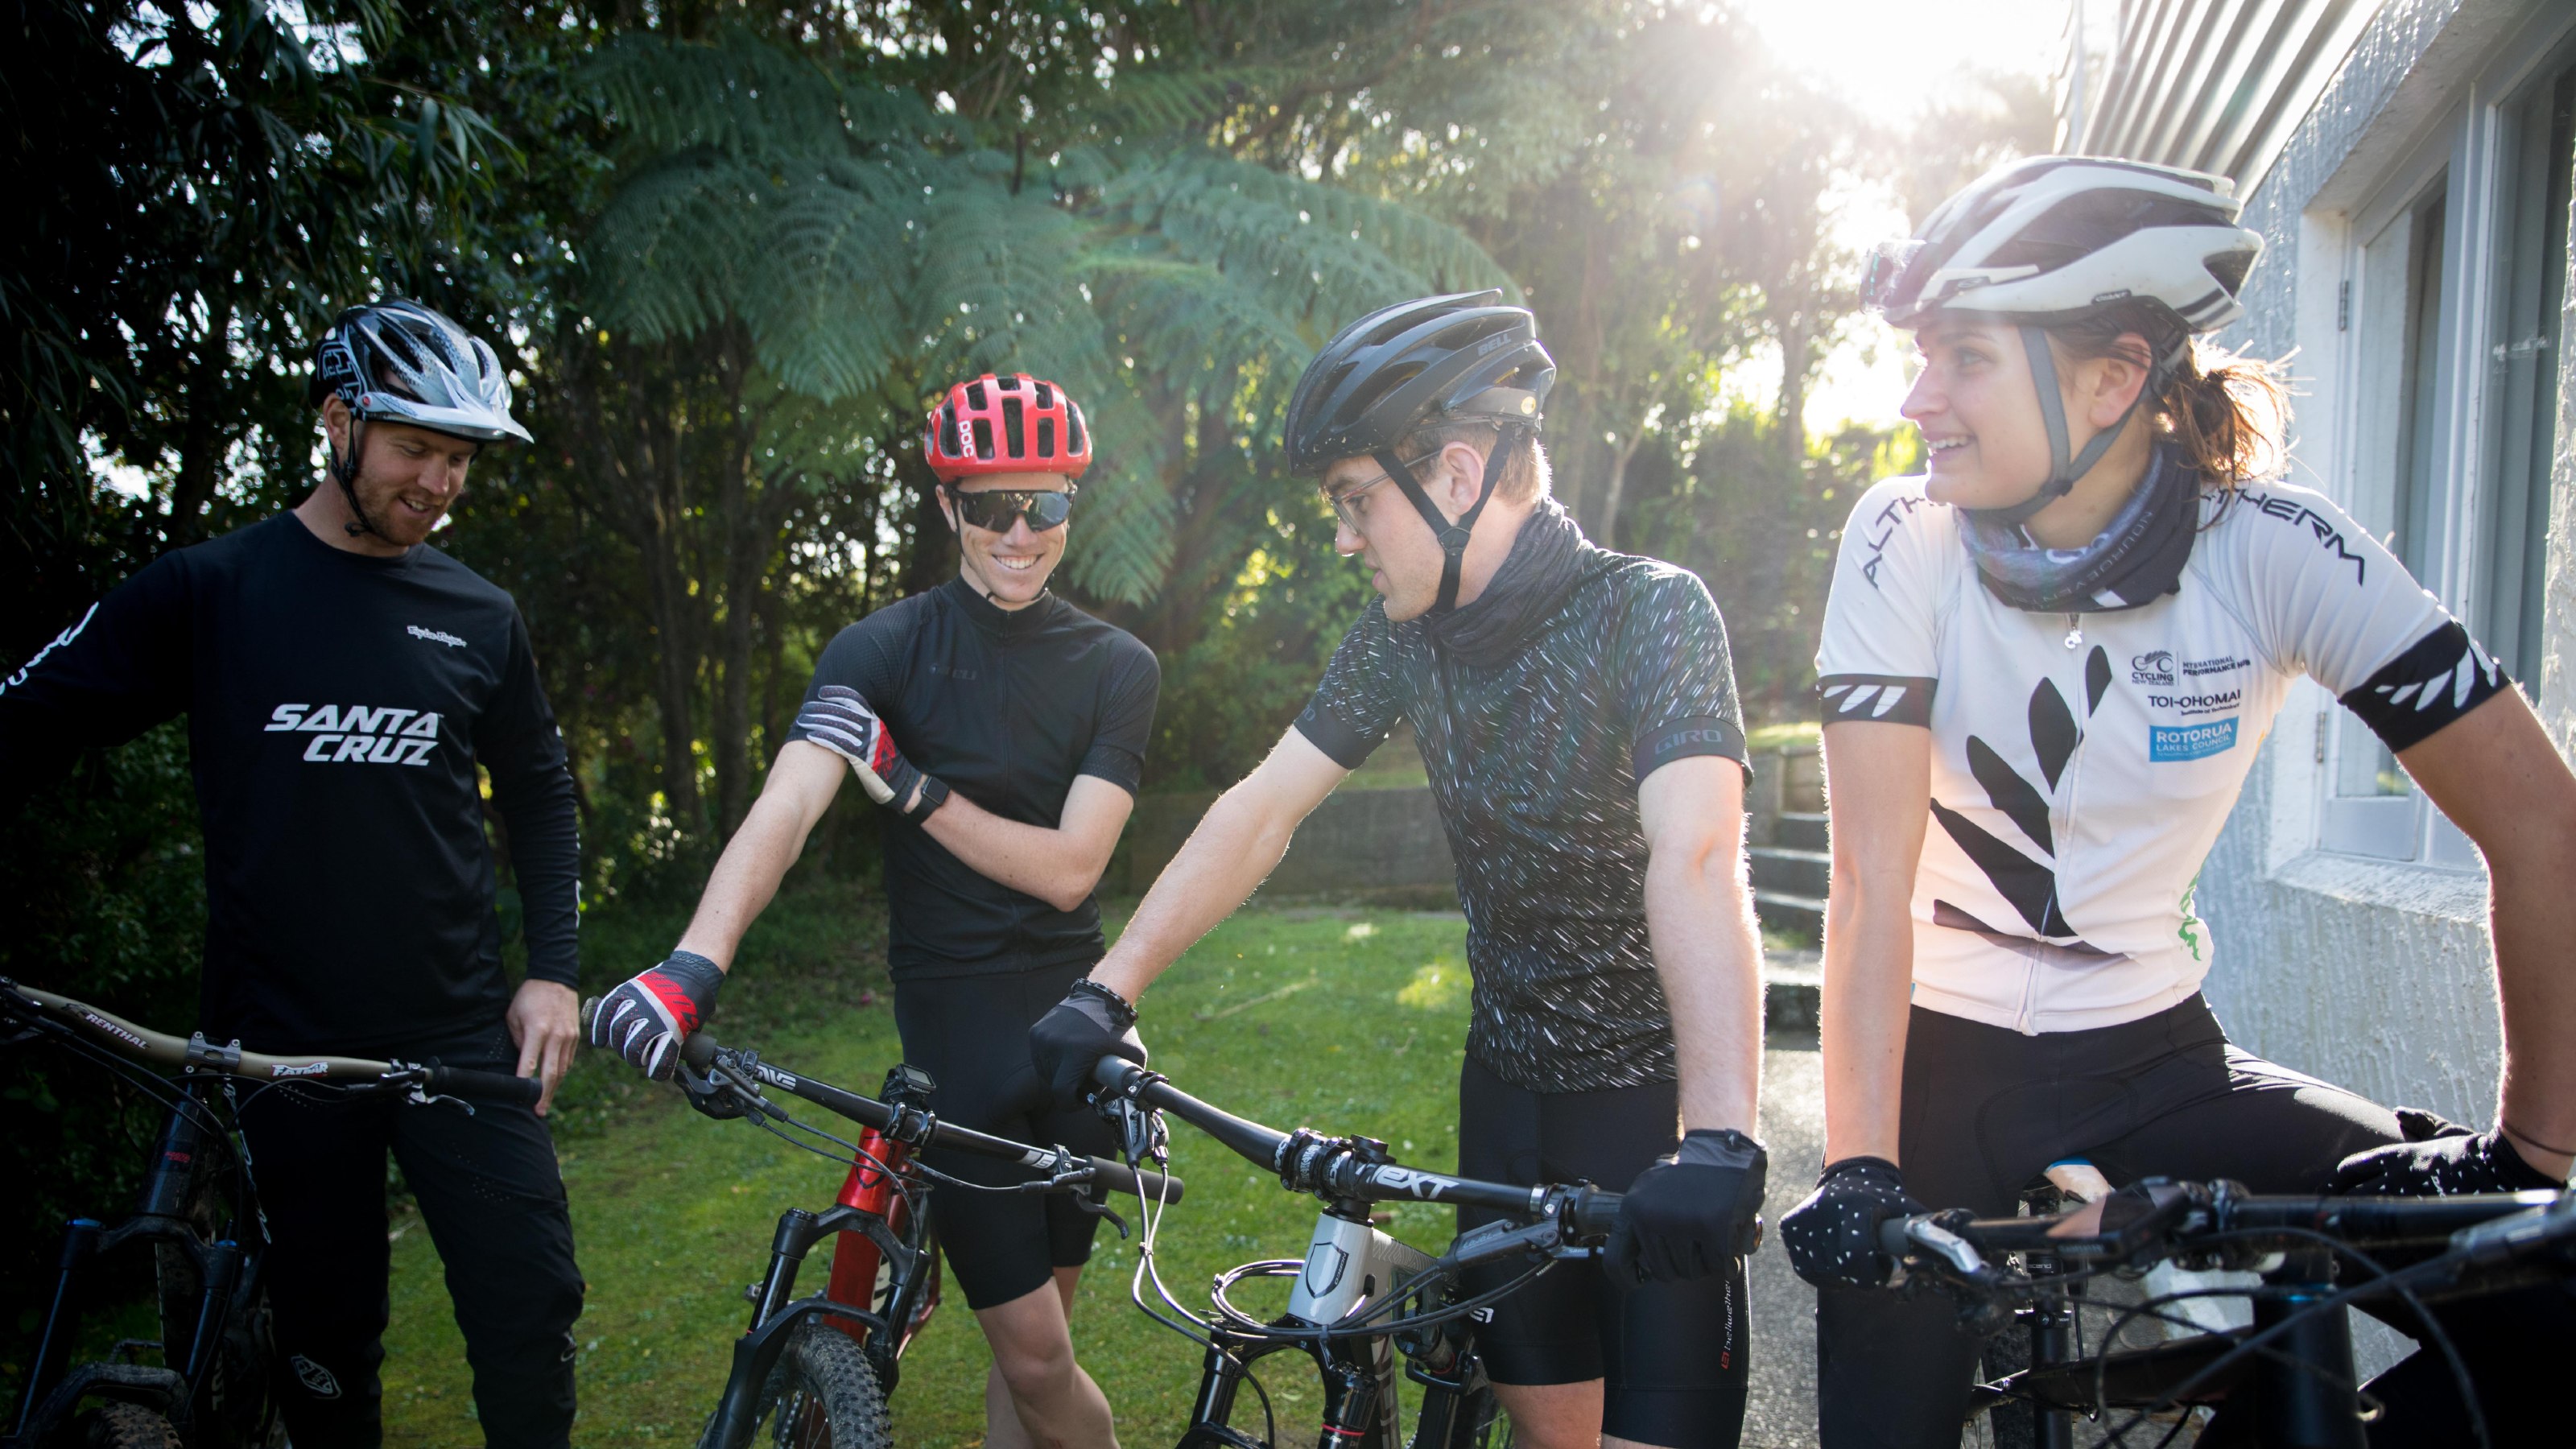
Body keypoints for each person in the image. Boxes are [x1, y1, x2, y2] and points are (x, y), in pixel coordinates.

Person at [1785, 155, 2576, 1445]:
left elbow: (2546, 827)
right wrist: (1861, 1166)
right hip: (1936, 1064)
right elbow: (1872, 881)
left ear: (2113, 379)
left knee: (2545, 1288)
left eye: (1965, 359)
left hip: (2156, 1059)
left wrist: (2532, 1157)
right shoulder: (1901, 533)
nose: (1920, 398)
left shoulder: (2272, 549)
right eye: (1924, 357)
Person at [1026, 291, 1772, 1449]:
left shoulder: (1650, 611)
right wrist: (1106, 989)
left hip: (1658, 1122)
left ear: (1458, 477)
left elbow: (1700, 851)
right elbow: (1262, 807)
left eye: (1354, 500)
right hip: (1507, 1104)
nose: (1343, 538)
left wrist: (1720, 1134)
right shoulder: (1403, 637)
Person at [0, 299, 587, 1447]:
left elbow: (541, 794)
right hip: (279, 1046)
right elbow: (30, 720)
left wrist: (554, 973)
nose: (440, 483)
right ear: (337, 422)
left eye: (461, 458)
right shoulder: (216, 589)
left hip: (459, 1039)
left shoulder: (480, 616)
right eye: (416, 448)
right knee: (327, 1342)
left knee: (533, 1305)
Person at [590, 372, 1157, 1449]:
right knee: (1038, 1362)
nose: (1020, 532)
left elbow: (1072, 870)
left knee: (1037, 1354)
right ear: (947, 506)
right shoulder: (881, 650)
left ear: (1071, 505)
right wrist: (691, 967)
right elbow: (786, 808)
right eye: (991, 505)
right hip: (959, 1038)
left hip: (1077, 1035)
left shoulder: (1117, 666)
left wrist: (910, 788)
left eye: (1044, 503)